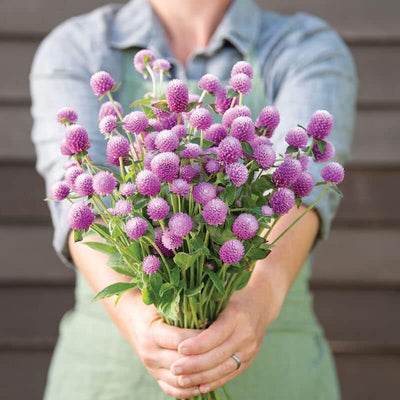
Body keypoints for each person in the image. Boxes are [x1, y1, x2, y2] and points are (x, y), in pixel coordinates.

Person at [30, 0, 357, 398]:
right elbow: (79, 195)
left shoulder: (303, 44)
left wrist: (259, 298)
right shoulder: (78, 45)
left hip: (274, 362)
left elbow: (303, 184)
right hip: (111, 374)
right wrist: (134, 314)